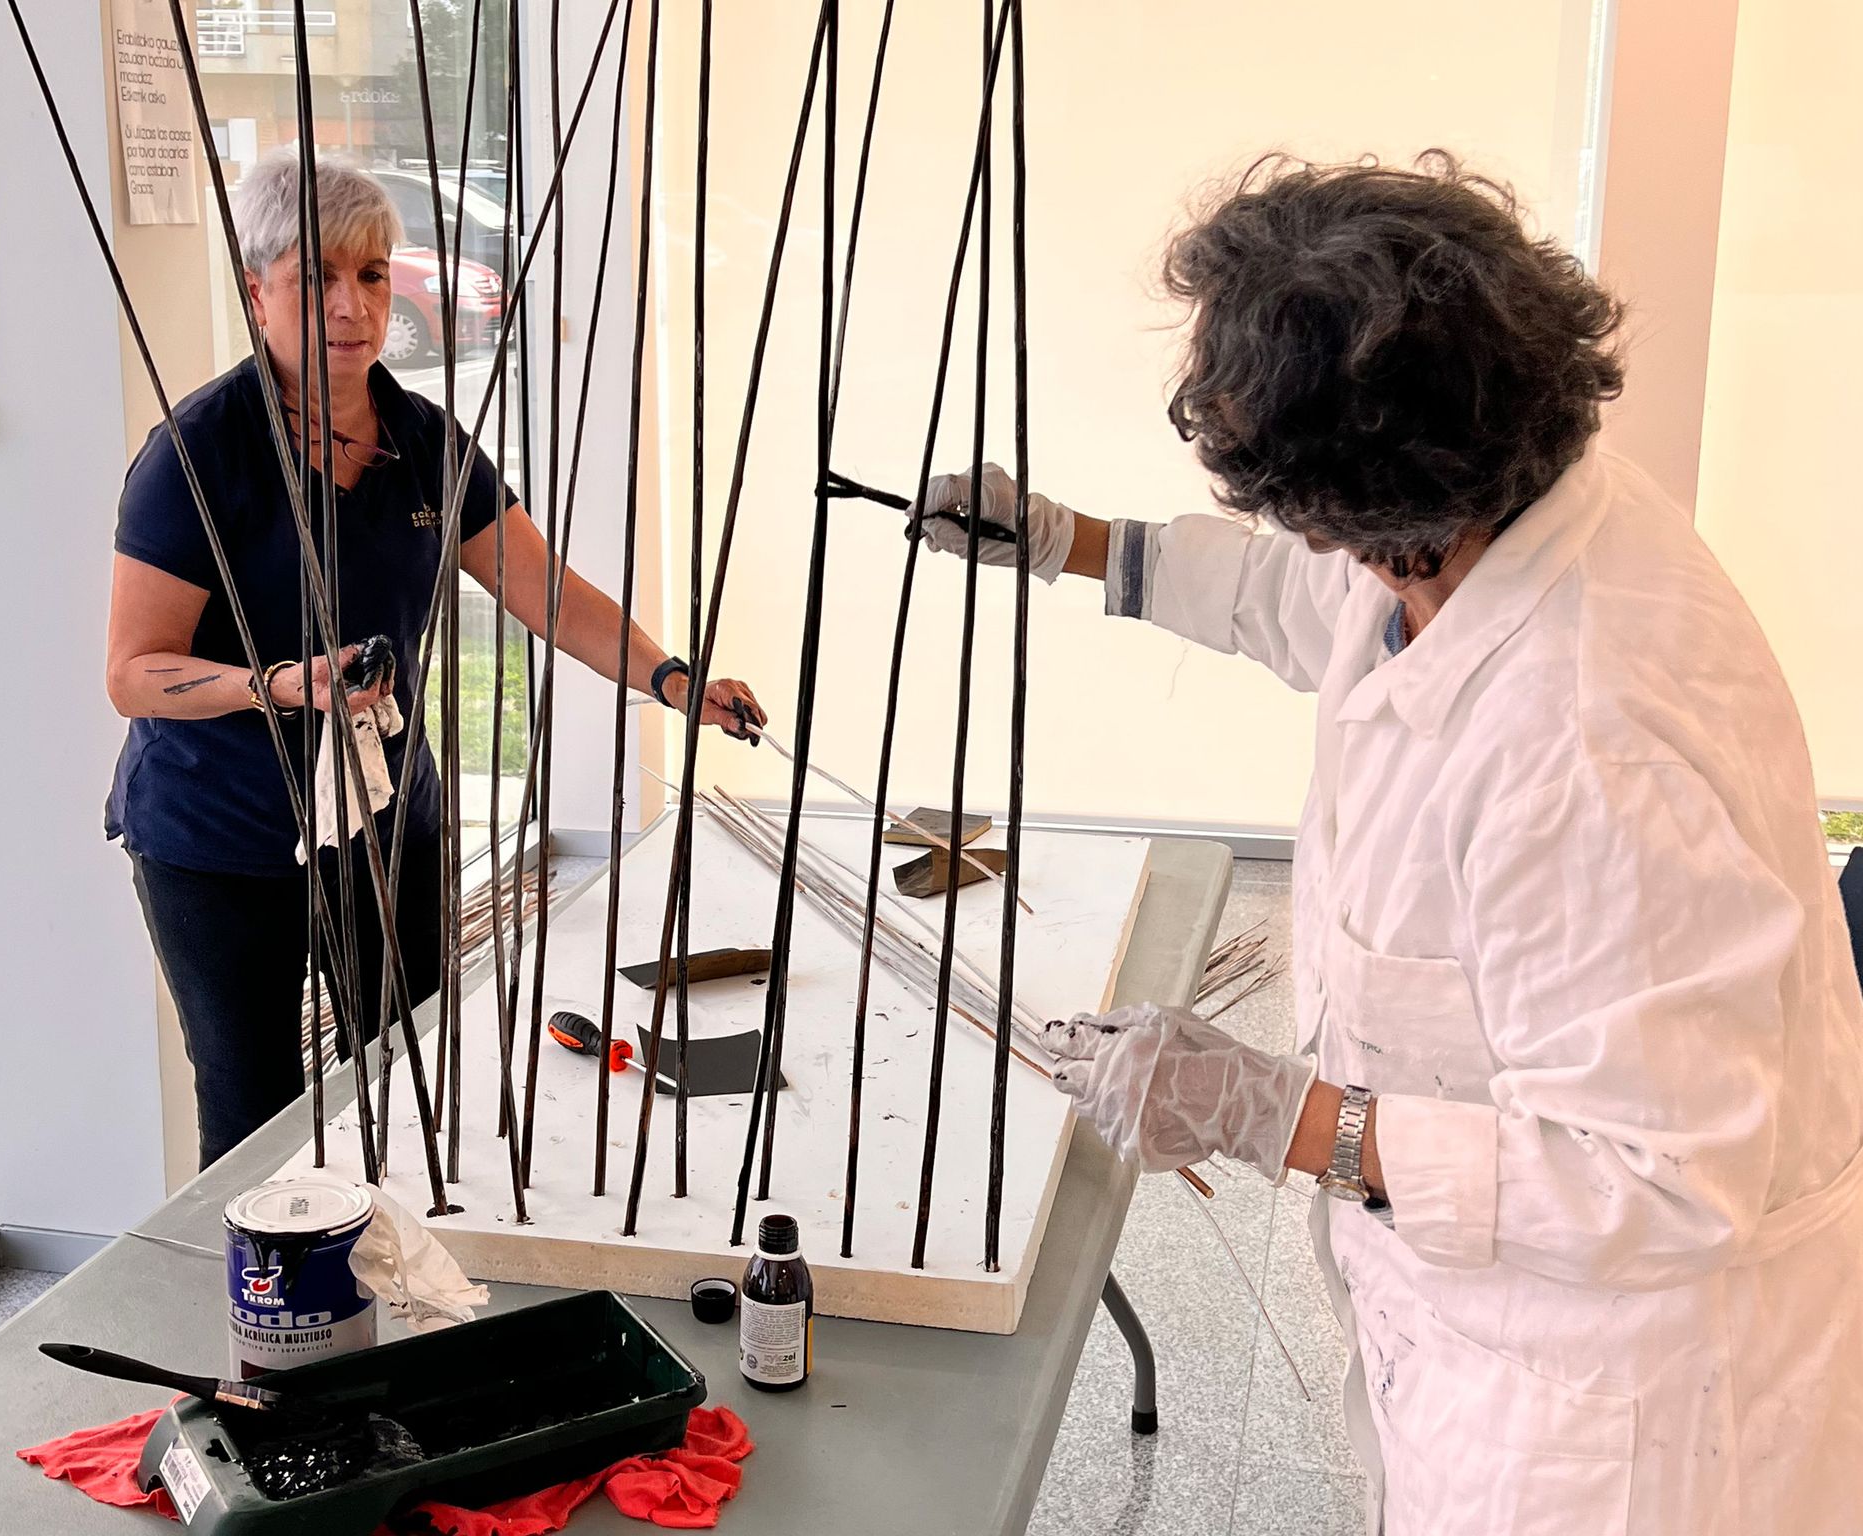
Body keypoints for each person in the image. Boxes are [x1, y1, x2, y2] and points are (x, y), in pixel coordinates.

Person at [912, 154, 1863, 1534]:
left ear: (1359, 506)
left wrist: (1278, 1116)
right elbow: (1297, 601)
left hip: (1622, 1414)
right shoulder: (1493, 502)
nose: (1299, 546)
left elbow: (1665, 1180)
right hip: (1486, 1338)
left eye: (1297, 508)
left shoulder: (1588, 738)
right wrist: (1074, 544)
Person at [104, 147, 765, 1169]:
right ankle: (262, 1316)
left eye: (371, 274)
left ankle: (408, 1288)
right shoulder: (199, 451)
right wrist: (275, 685)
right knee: (254, 1111)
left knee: (411, 1074)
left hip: (384, 820)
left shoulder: (425, 439)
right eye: (316, 276)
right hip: (220, 835)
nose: (351, 303)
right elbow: (134, 671)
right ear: (256, 289)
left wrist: (672, 679)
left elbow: (543, 589)